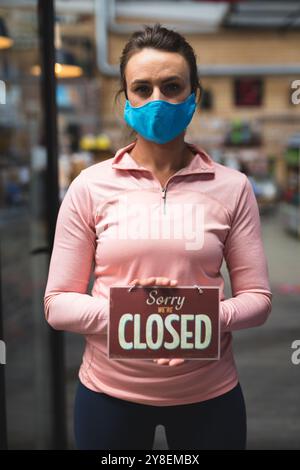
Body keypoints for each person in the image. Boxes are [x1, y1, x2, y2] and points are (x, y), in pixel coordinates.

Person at [44, 24, 272, 450]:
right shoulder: (89, 186)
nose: (157, 101)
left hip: (210, 395)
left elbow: (258, 299)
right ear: (125, 99)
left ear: (193, 96)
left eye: (171, 87)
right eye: (142, 88)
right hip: (109, 395)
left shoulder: (233, 187)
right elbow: (57, 304)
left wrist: (201, 319)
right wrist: (135, 319)